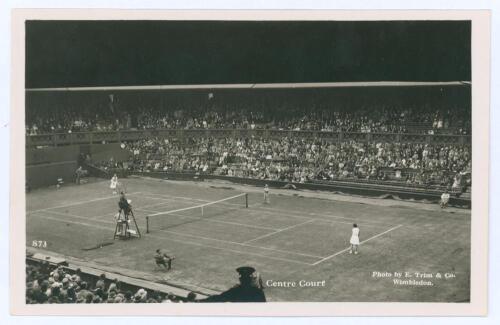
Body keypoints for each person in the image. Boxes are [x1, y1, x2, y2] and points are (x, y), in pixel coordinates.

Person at [198, 266, 266, 302]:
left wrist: (198, 301)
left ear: (240, 279)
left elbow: (218, 298)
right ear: (251, 279)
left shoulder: (235, 291)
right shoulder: (258, 292)